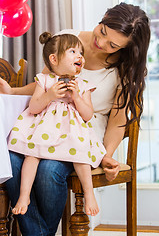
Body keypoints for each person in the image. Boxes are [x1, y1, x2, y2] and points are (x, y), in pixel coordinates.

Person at [0, 2, 150, 236]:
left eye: (112, 45)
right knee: (9, 157)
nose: (101, 43)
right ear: (105, 16)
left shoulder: (125, 67)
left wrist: (106, 155)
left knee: (48, 170)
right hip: (47, 125)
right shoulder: (67, 40)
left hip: (83, 133)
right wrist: (13, 92)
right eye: (102, 32)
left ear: (125, 48)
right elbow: (46, 82)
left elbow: (118, 120)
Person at [8, 32, 106, 216]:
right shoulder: (44, 80)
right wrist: (50, 95)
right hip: (43, 130)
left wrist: (76, 96)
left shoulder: (83, 85)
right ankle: (24, 195)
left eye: (81, 52)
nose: (80, 56)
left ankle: (89, 193)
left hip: (71, 134)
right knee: (31, 155)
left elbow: (87, 115)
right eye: (73, 51)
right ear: (54, 59)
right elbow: (34, 107)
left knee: (81, 155)